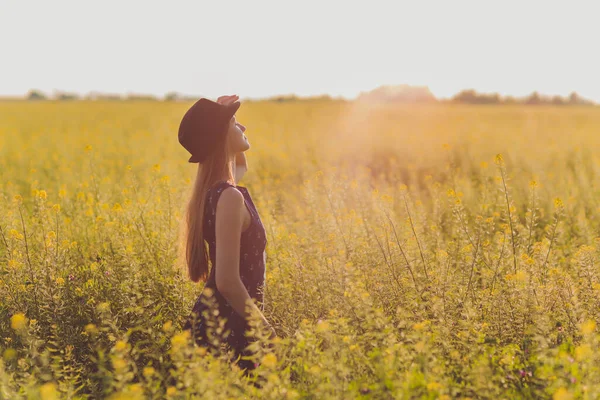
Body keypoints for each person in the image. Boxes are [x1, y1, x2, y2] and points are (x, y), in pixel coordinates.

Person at [179, 94, 276, 378]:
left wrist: (221, 117)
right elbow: (227, 280)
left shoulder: (216, 193)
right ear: (222, 136)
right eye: (235, 123)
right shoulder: (230, 198)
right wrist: (266, 331)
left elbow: (239, 167)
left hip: (222, 320)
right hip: (227, 327)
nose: (243, 127)